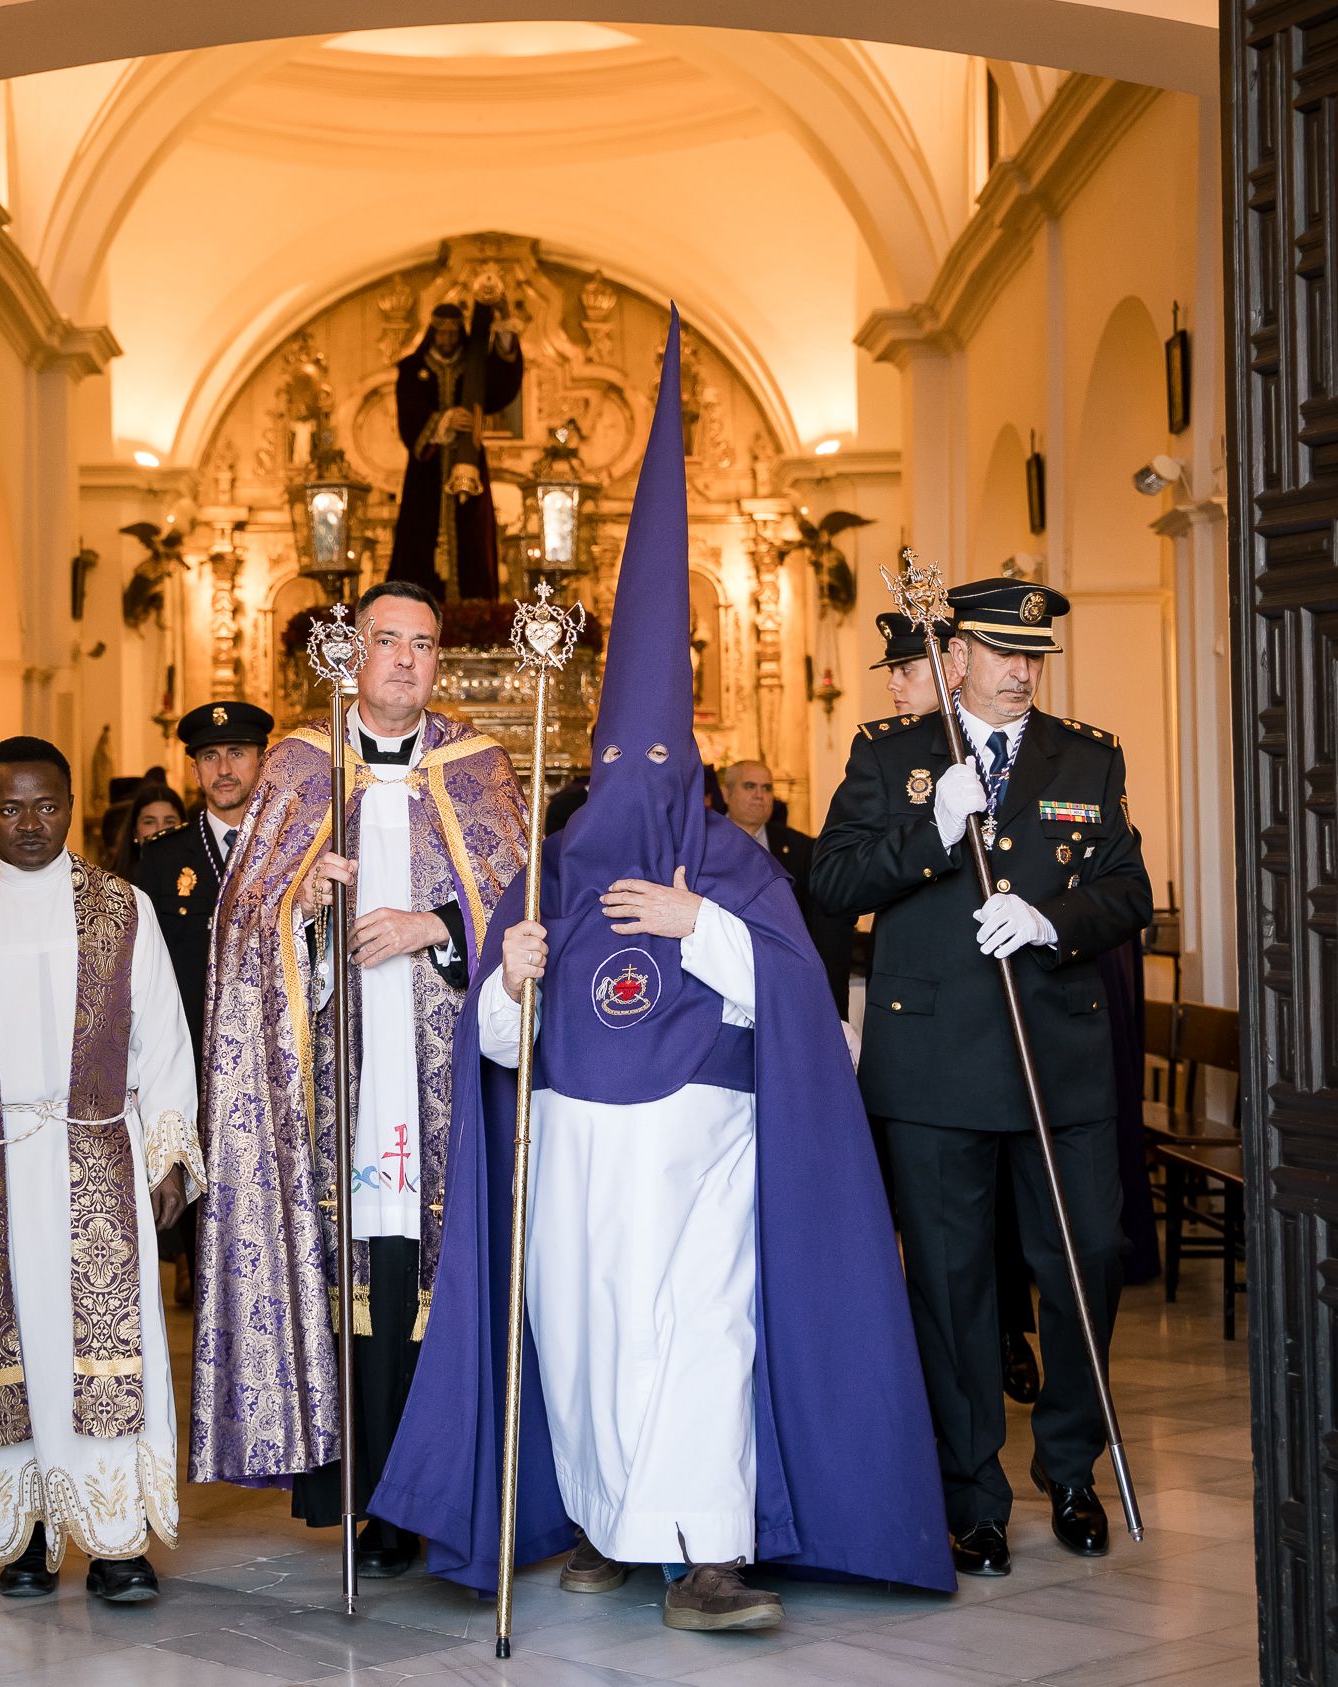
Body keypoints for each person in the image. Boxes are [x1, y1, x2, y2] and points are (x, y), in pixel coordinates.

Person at [375, 312, 954, 1629]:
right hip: (579, 1152)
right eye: (622, 772)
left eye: (664, 772)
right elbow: (503, 1042)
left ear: (688, 769)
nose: (642, 791)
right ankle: (600, 1522)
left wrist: (703, 926)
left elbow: (797, 1000)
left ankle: (705, 1554)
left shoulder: (733, 865)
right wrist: (509, 974)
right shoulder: (556, 866)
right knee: (581, 1343)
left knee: (700, 1334)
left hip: (705, 1149)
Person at [812, 585, 1153, 1579]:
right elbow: (831, 881)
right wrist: (930, 836)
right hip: (935, 1067)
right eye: (1004, 652)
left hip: (1060, 1063)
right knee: (953, 1288)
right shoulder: (892, 756)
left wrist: (1054, 923)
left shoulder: (1084, 756)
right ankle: (973, 1494)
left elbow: (1126, 888)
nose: (1023, 669)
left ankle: (1072, 1466)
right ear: (955, 654)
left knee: (1085, 1259)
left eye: (1035, 654)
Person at [190, 579, 528, 1578]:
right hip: (337, 1078)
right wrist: (303, 898)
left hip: (439, 1078)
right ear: (353, 651)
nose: (408, 661)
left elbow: (522, 908)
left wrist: (440, 926)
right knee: (355, 1278)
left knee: (431, 1272)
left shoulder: (478, 768)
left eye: (425, 646)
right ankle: (366, 1495)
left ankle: (443, 1487)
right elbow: (242, 924)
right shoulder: (299, 765)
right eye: (390, 641)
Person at [0, 738, 202, 1603]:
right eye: (10, 807)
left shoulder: (123, 909)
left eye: (46, 805)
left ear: (71, 807)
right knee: (5, 1353)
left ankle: (116, 1538)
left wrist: (168, 1149)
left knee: (103, 1361)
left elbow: (164, 1034)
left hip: (98, 1159)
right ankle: (27, 1530)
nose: (29, 823)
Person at [132, 701, 275, 1303]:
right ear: (193, 770)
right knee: (198, 1195)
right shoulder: (162, 860)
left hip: (275, 1058)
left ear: (261, 761)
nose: (224, 768)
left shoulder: (292, 846)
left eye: (237, 754)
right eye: (209, 756)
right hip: (189, 1058)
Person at [386, 299, 524, 600]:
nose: (447, 340)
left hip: (469, 465)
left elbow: (503, 386)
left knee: (473, 538)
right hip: (427, 474)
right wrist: (443, 421)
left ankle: (474, 612)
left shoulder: (473, 367)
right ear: (432, 333)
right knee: (419, 538)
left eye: (452, 333)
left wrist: (503, 330)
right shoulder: (413, 368)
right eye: (441, 333)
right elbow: (408, 413)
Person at [718, 759, 855, 1014]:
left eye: (767, 788)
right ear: (726, 792)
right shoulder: (702, 842)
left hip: (784, 981)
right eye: (749, 786)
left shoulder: (802, 848)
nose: (760, 795)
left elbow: (823, 921)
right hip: (720, 976)